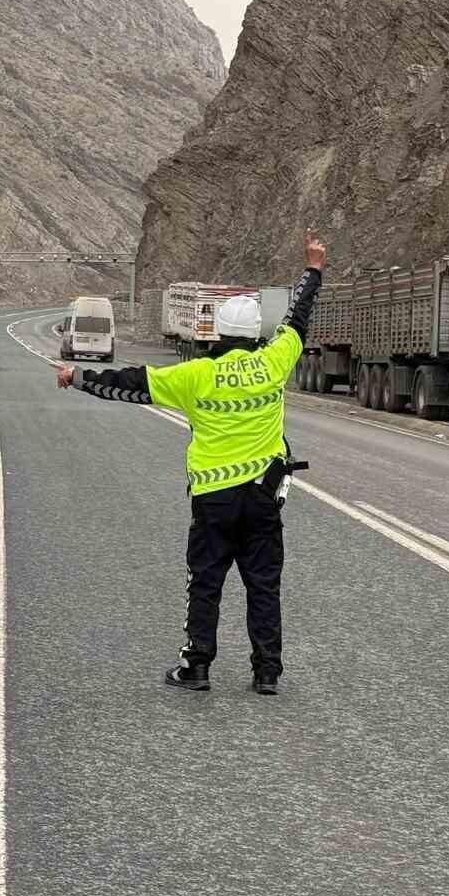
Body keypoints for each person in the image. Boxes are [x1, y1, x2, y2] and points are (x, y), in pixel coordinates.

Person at [57, 232, 326, 695]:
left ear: (218, 333)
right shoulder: (276, 361)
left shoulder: (195, 375)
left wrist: (78, 376)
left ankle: (196, 667)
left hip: (213, 499)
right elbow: (298, 316)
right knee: (264, 586)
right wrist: (313, 268)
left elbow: (131, 383)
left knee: (205, 582)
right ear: (256, 333)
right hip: (264, 496)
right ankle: (266, 673)